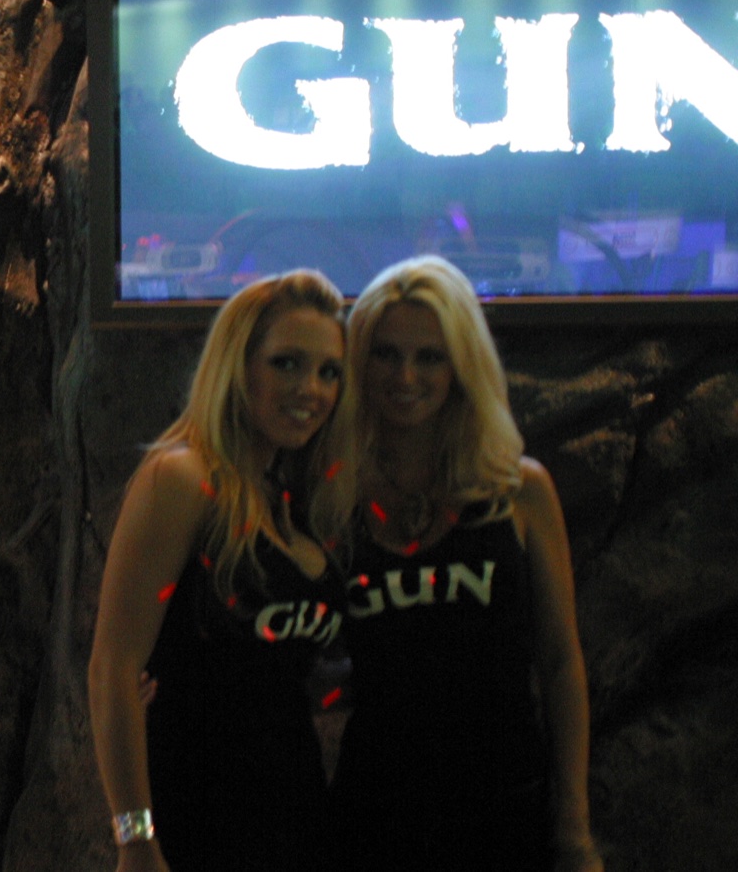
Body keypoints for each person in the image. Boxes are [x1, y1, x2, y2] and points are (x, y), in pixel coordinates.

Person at [326, 256, 601, 872]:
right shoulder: (333, 499)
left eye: (430, 356)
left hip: (504, 805)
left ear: (463, 364)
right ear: (358, 360)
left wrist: (575, 830)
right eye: (385, 353)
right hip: (374, 812)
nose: (406, 375)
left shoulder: (519, 490)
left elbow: (560, 664)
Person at [88, 270, 348, 872]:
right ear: (239, 365)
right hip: (194, 819)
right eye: (286, 363)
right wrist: (135, 838)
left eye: (328, 371)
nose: (310, 388)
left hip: (297, 814)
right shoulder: (182, 479)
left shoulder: (295, 497)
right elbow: (111, 670)